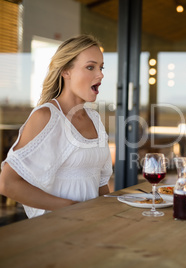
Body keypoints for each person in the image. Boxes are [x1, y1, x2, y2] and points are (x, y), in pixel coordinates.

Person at [0, 34, 113, 218]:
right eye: (90, 67)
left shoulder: (94, 118)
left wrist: (107, 219)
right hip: (56, 231)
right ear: (66, 71)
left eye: (101, 67)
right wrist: (72, 208)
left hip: (90, 229)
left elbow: (101, 183)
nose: (100, 74)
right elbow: (7, 183)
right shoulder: (46, 116)